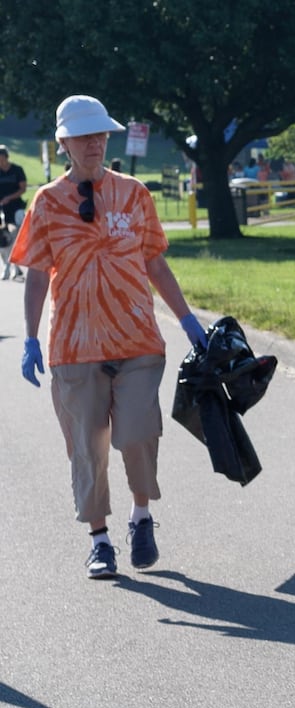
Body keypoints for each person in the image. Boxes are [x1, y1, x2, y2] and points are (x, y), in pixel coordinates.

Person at [10, 95, 210, 579]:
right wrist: (30, 337)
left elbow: (154, 261)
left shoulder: (134, 193)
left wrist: (186, 320)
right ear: (64, 143)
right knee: (87, 445)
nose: (95, 143)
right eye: (84, 136)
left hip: (138, 339)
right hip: (75, 346)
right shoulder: (47, 202)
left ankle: (141, 517)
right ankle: (99, 539)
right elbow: (37, 276)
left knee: (139, 432)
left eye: (101, 135)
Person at [0, 143, 27, 280]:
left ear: (5, 157)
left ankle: (16, 266)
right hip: (1, 209)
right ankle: (6, 265)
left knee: (17, 236)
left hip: (15, 207)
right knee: (2, 239)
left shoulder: (17, 170)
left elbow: (23, 188)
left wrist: (9, 198)